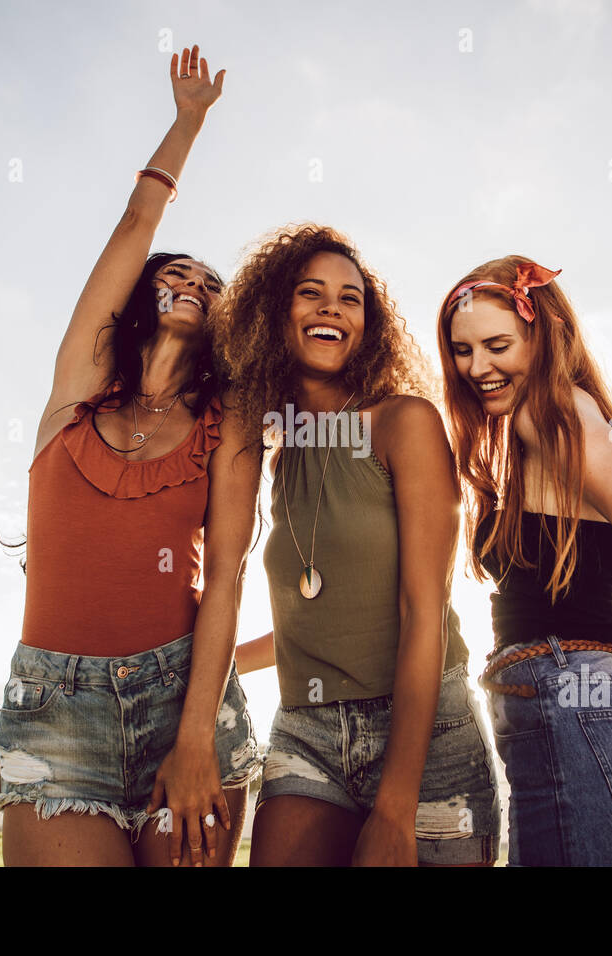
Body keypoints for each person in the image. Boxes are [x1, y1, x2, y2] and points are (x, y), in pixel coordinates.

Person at [0, 45, 262, 867]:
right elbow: (135, 225)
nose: (191, 279)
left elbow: (226, 577)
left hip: (187, 697)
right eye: (174, 273)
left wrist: (194, 741)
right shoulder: (75, 395)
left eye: (210, 281)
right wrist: (187, 123)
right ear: (142, 294)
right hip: (55, 703)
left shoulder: (229, 421)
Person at [218, 224, 500, 866]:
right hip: (306, 727)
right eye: (310, 292)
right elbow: (311, 625)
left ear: (367, 326)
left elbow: (422, 614)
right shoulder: (279, 453)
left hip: (425, 729)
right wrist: (211, 663)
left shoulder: (404, 423)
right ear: (273, 313)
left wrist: (396, 808)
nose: (331, 308)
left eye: (350, 299)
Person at [436, 255, 612, 866]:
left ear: (542, 334)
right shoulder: (560, 417)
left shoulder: (549, 413)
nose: (478, 367)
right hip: (598, 724)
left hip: (576, 714)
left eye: (497, 344)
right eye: (462, 350)